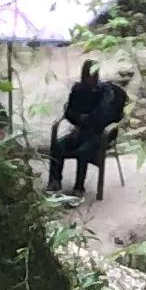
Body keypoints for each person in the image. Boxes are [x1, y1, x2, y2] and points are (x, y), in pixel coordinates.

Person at [48, 57, 129, 196]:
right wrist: (79, 118)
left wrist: (87, 119)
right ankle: (55, 181)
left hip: (100, 134)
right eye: (87, 75)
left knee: (83, 151)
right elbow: (69, 112)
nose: (90, 78)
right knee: (58, 145)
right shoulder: (78, 90)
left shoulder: (106, 92)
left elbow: (105, 116)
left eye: (93, 75)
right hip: (80, 131)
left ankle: (79, 187)